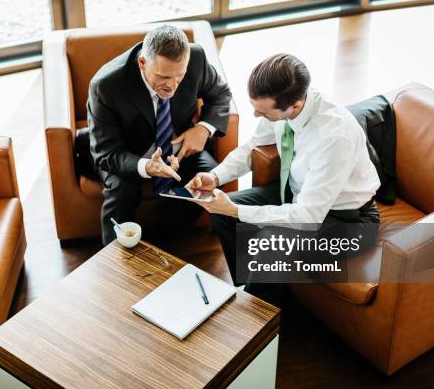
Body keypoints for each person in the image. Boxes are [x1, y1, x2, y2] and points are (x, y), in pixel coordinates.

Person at [185, 53, 381, 303]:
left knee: (268, 243)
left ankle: (258, 317)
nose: (256, 117)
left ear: (295, 107)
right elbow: (253, 146)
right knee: (220, 210)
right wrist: (215, 176)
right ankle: (255, 287)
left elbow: (308, 217)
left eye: (263, 113)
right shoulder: (287, 105)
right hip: (298, 193)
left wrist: (236, 210)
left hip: (348, 221)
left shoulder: (333, 137)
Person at [88, 25, 232, 245]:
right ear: (143, 63)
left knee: (210, 176)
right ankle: (114, 261)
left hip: (178, 149)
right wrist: (146, 166)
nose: (172, 86)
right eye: (164, 77)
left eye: (180, 76)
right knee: (121, 192)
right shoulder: (106, 86)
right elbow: (107, 153)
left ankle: (165, 242)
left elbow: (221, 94)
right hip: (129, 155)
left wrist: (203, 128)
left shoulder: (196, 58)